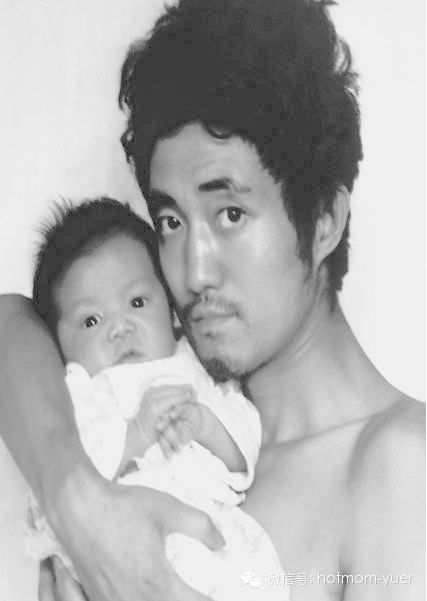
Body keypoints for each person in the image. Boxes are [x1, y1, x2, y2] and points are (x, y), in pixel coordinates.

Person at [0, 0, 424, 600]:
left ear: (324, 220)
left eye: (230, 213)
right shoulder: (165, 384)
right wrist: (78, 501)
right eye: (171, 221)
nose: (192, 271)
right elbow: (10, 322)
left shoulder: (401, 466)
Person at [25, 197, 286, 600]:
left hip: (209, 539)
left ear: (172, 310)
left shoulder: (193, 368)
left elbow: (244, 444)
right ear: (58, 343)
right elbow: (66, 478)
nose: (120, 328)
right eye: (91, 320)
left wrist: (206, 425)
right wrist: (136, 435)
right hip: (114, 550)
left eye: (137, 302)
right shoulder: (80, 393)